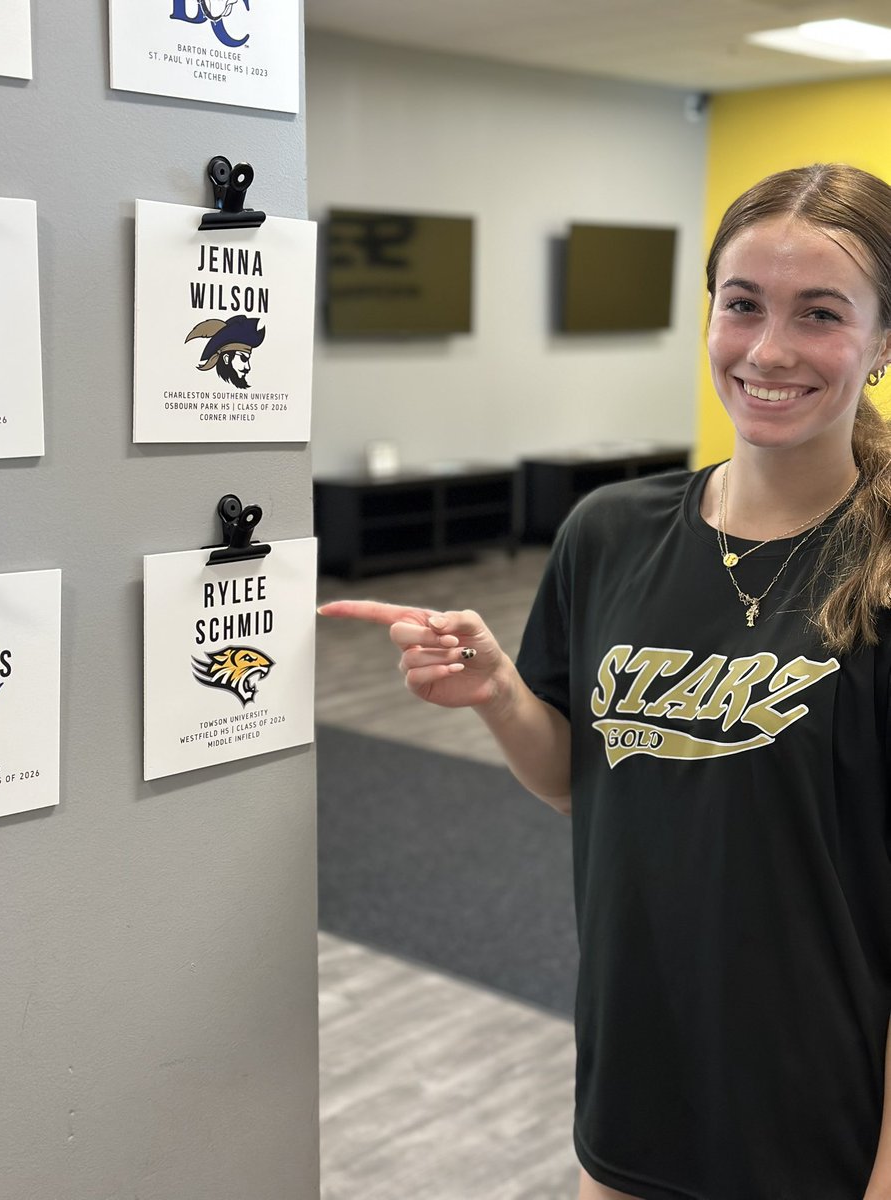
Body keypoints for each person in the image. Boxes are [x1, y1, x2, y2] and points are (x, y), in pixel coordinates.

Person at [318, 163, 891, 1200]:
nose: (769, 349)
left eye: (821, 314)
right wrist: (500, 694)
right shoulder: (609, 532)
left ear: (885, 341)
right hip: (633, 1091)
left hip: (823, 1124)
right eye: (742, 305)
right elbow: (584, 783)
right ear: (708, 312)